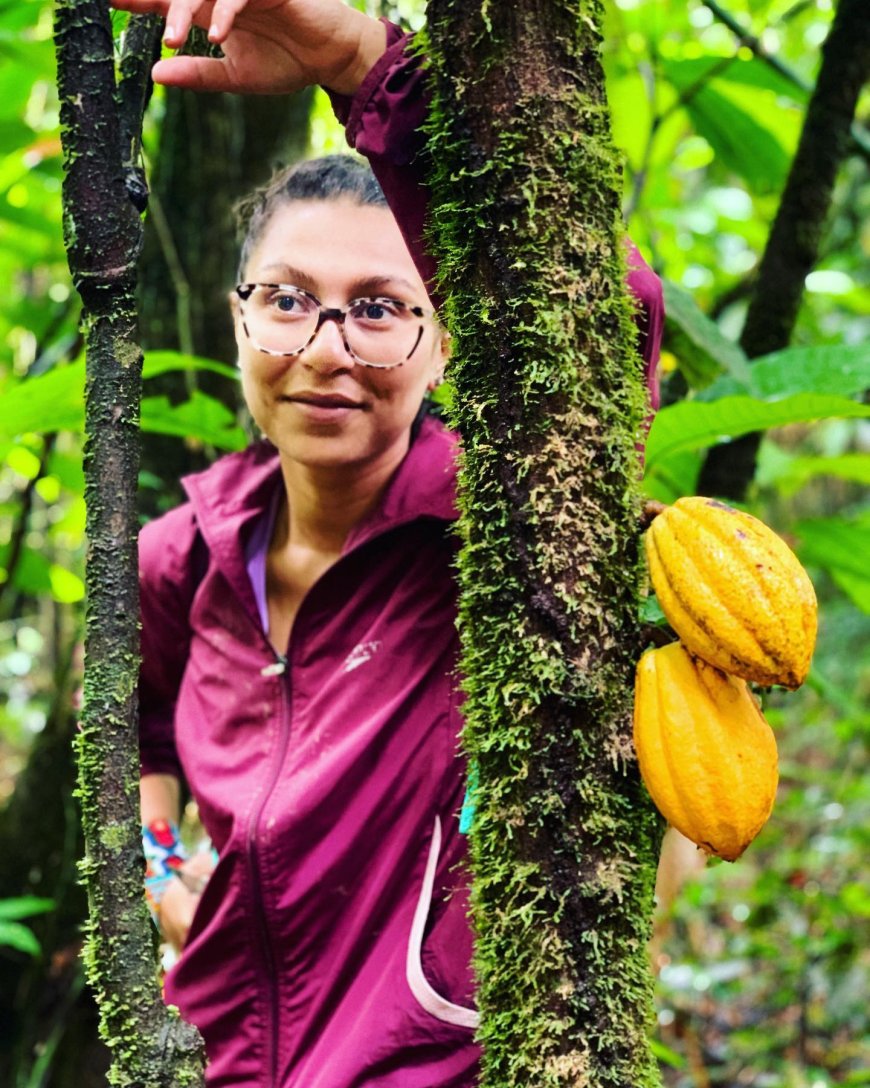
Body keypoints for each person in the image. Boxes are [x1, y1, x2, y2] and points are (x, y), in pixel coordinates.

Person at [115, 1, 664, 1085]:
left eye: (378, 310)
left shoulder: (500, 531)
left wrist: (365, 66)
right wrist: (166, 876)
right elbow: (135, 744)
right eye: (287, 300)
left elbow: (606, 311)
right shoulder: (182, 558)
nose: (326, 349)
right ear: (239, 322)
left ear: (442, 341)